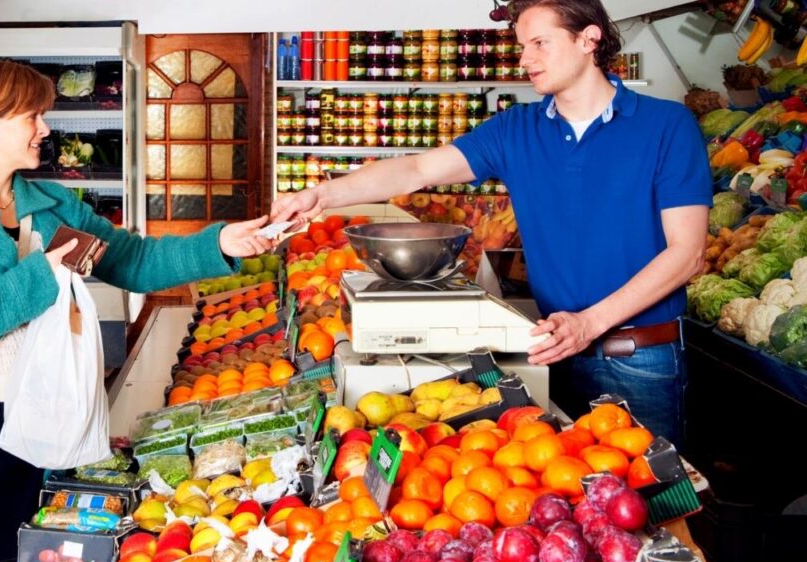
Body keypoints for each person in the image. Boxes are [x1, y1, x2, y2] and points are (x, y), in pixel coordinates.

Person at [271, 0, 710, 447]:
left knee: (651, 501)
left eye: (540, 43)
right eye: (522, 46)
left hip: (638, 358)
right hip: (550, 352)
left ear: (588, 39)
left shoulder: (666, 126)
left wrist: (588, 324)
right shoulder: (516, 129)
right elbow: (417, 170)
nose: (525, 60)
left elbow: (687, 253)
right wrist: (320, 194)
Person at [0, 59, 272, 562]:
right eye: (33, 116)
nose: (45, 129)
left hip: (51, 421)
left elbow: (133, 260)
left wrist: (221, 242)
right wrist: (42, 276)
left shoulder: (52, 205)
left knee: (51, 560)